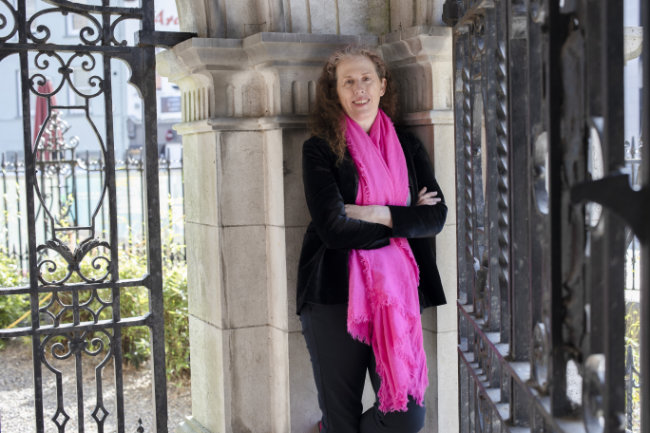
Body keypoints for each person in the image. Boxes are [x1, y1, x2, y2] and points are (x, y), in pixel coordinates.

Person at [296, 45, 448, 433]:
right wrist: (403, 219)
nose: (358, 88)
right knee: (341, 421)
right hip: (333, 296)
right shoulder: (320, 149)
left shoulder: (408, 147)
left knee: (406, 417)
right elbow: (333, 229)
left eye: (366, 79)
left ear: (382, 86)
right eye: (347, 82)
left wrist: (376, 213)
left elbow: (435, 217)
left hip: (396, 296)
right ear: (335, 93)